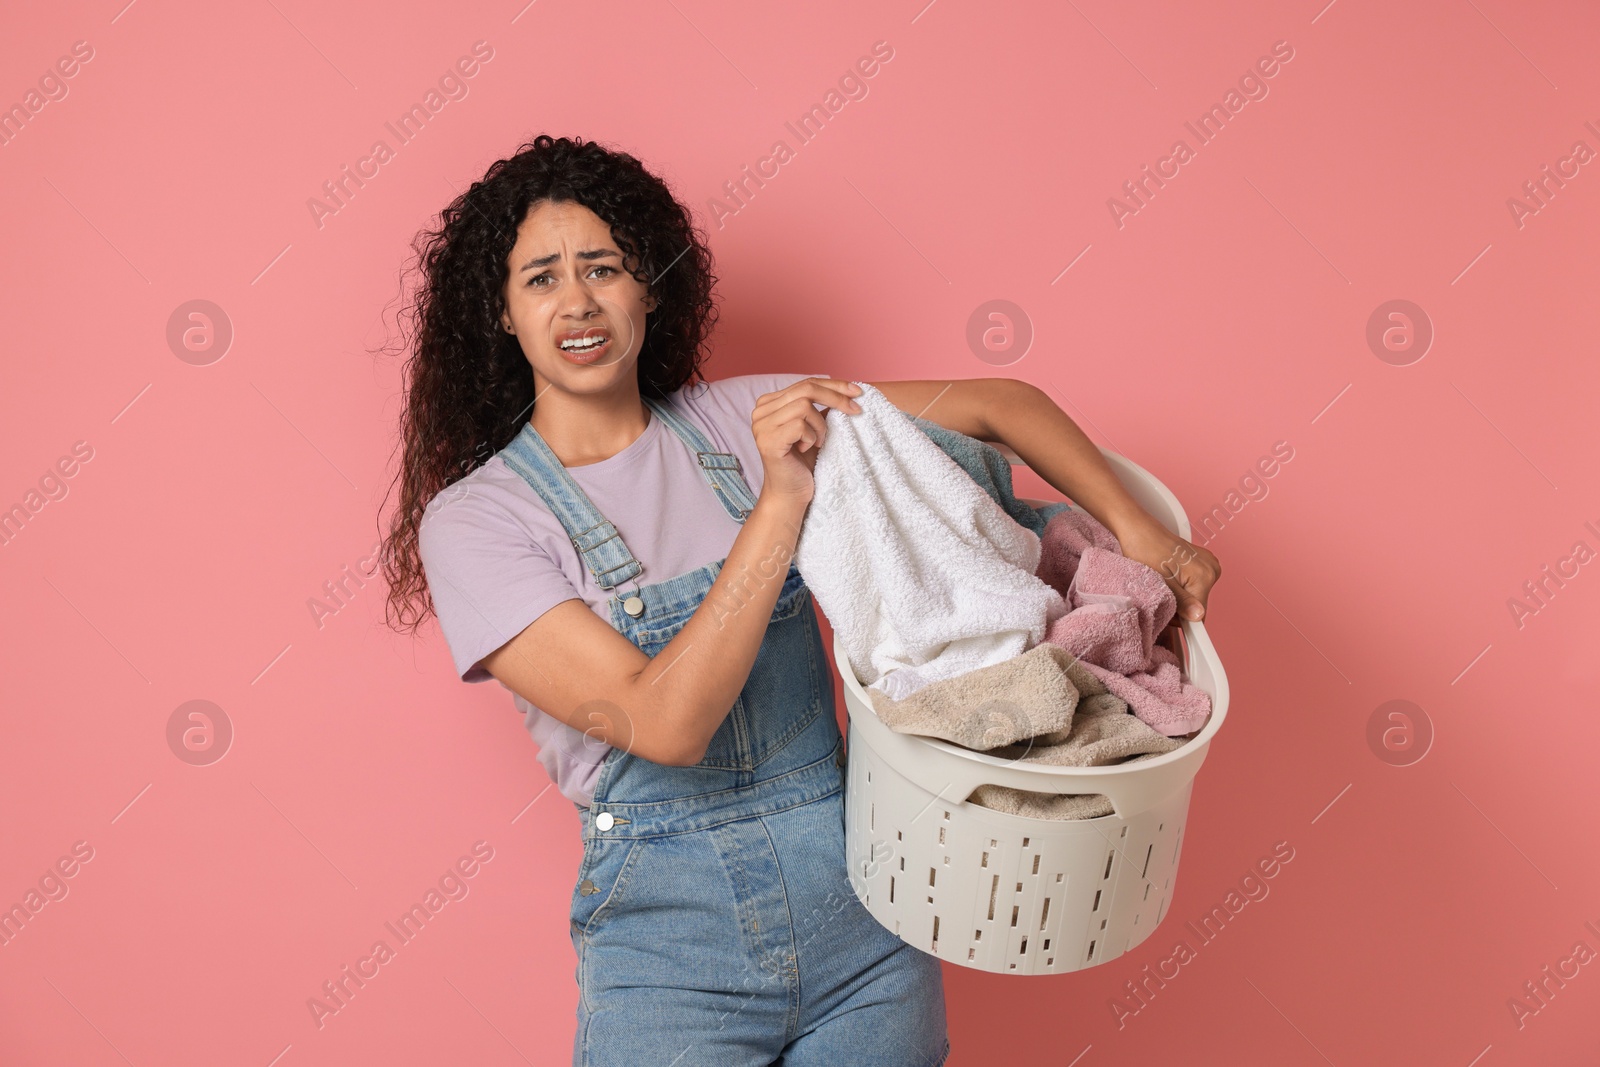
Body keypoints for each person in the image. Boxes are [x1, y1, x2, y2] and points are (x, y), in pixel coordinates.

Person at [378, 134, 1220, 1066]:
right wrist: (779, 497)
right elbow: (664, 722)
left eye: (603, 267)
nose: (577, 301)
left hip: (868, 912)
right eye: (539, 278)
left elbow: (997, 405)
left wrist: (1138, 534)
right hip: (670, 958)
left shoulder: (743, 416)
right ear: (500, 311)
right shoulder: (479, 522)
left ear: (648, 289)